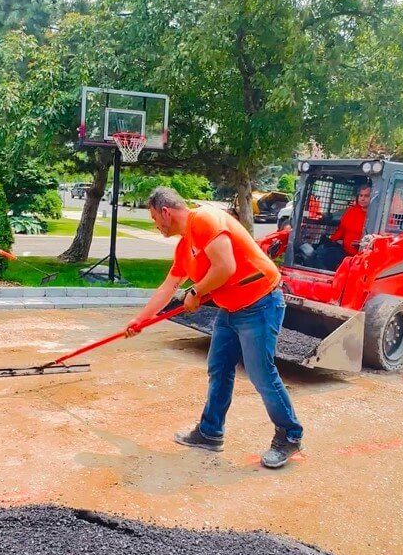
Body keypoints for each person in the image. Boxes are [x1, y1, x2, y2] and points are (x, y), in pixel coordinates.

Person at [125, 188, 303, 468]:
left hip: (260, 304)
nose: (155, 225)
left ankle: (290, 436)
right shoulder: (185, 246)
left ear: (166, 212)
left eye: (154, 218)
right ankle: (210, 432)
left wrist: (195, 291)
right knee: (219, 368)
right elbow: (168, 287)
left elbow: (225, 267)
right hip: (231, 309)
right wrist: (141, 320)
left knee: (261, 374)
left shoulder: (205, 220)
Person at [330, 183, 371, 254]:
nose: (362, 198)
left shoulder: (378, 215)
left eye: (366, 196)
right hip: (345, 252)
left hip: (365, 255)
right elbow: (341, 230)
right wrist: (331, 241)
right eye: (361, 195)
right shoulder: (350, 212)